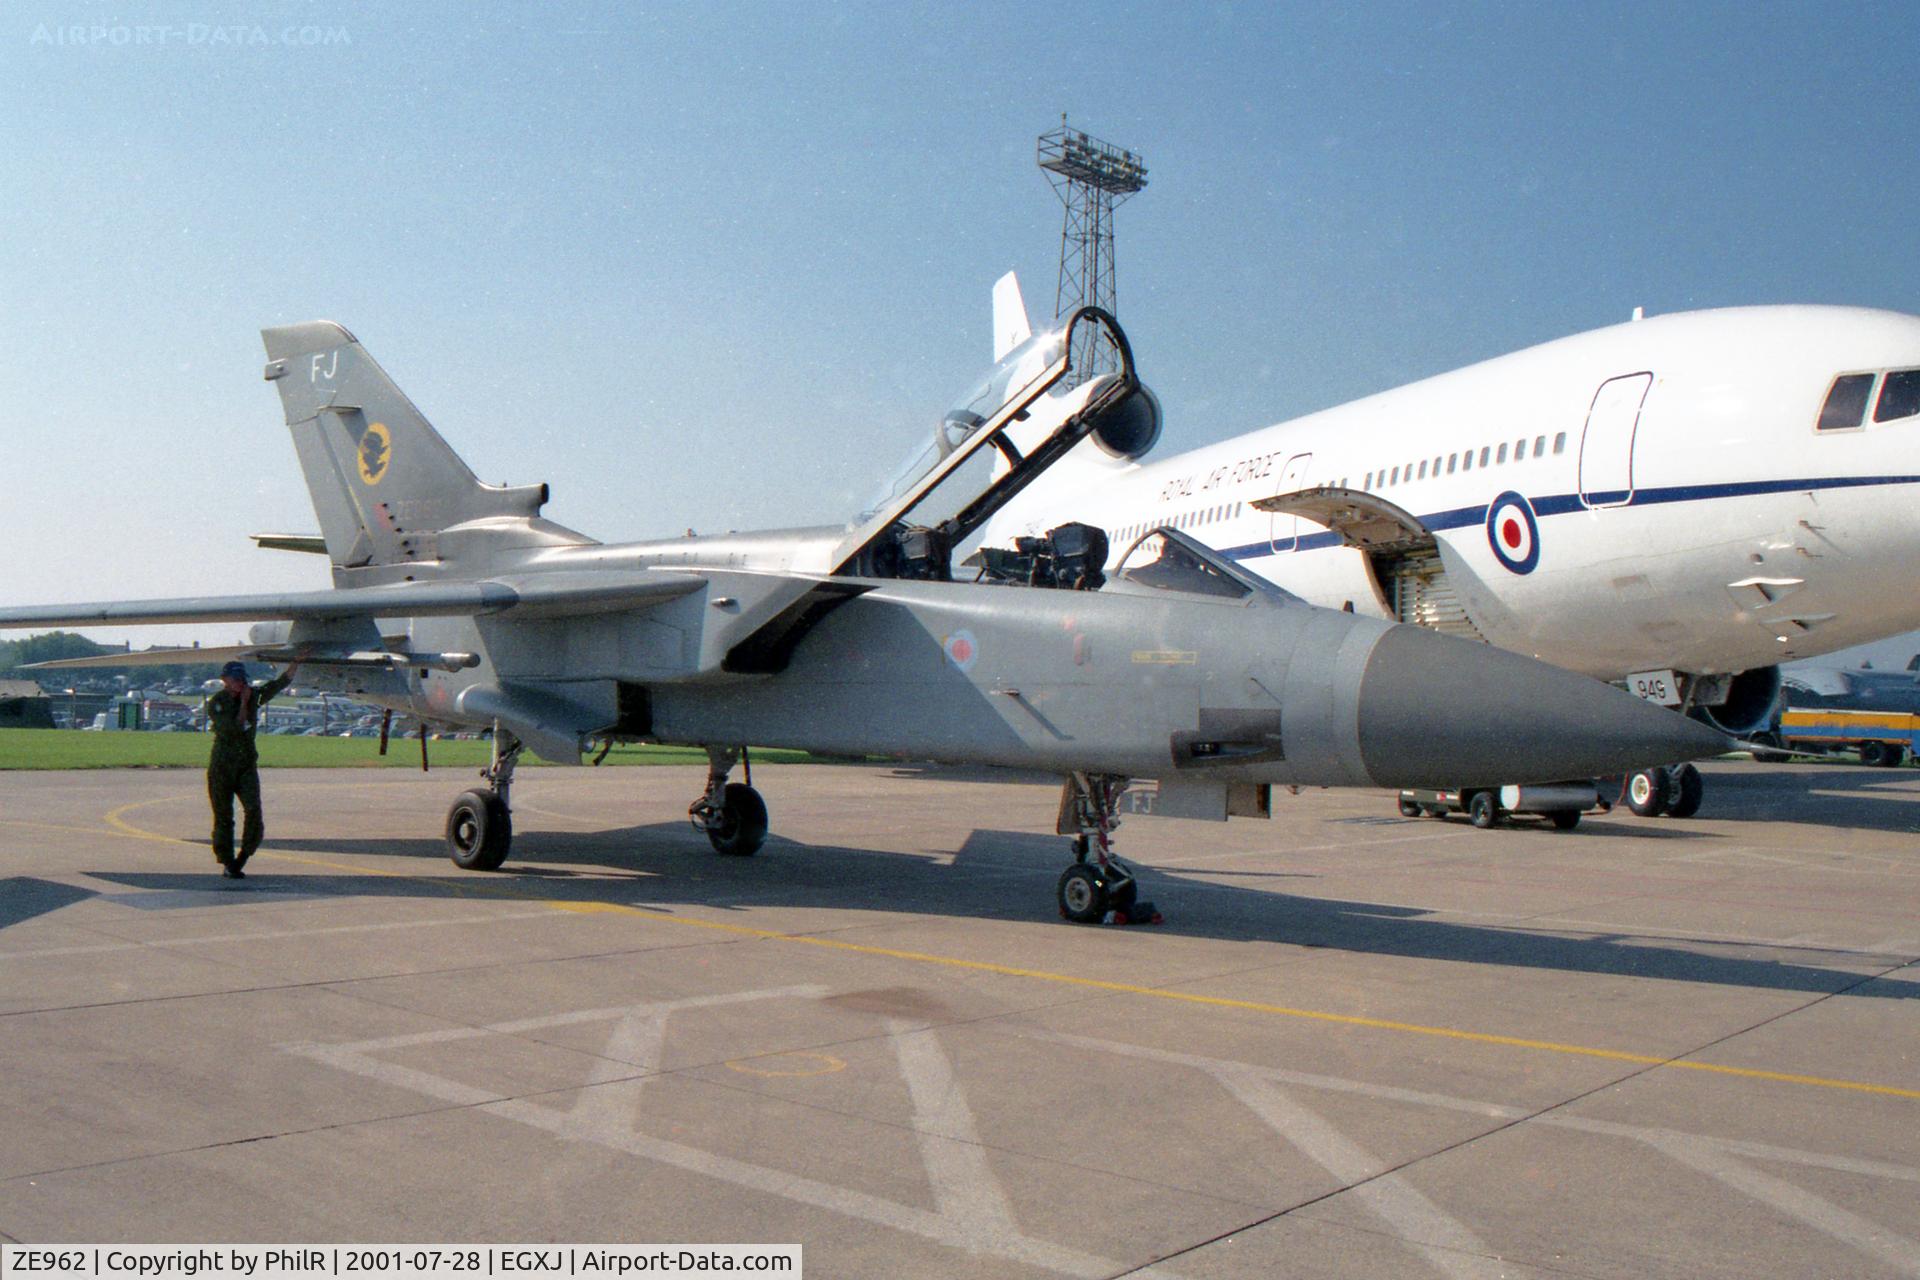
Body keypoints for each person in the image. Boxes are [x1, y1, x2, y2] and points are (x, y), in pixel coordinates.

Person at [205, 658, 300, 878]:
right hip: (222, 766)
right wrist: (244, 705)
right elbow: (233, 729)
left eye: (242, 680)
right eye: (236, 680)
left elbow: (276, 685)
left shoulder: (253, 696)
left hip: (246, 765)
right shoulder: (217, 702)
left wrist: (295, 664)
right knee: (223, 815)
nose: (240, 684)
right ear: (225, 680)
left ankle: (244, 856)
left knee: (253, 810)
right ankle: (228, 862)